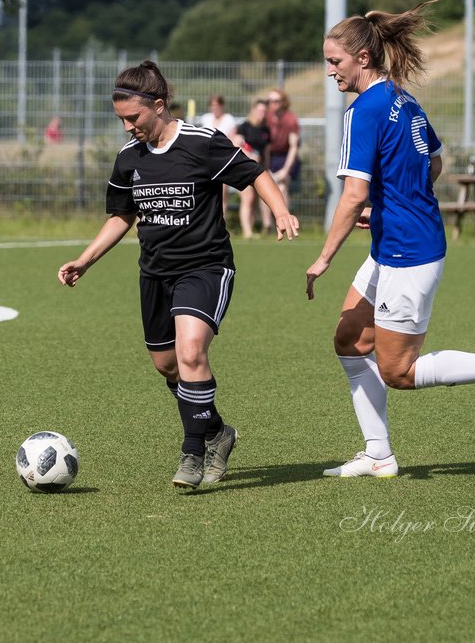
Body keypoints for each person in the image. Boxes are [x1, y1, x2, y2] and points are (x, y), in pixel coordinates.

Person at [305, 0, 475, 479]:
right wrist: (396, 202)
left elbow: (353, 196)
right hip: (400, 241)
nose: (330, 71)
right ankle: (377, 454)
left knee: (399, 371)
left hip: (406, 253)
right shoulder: (402, 99)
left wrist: (324, 256)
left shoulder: (363, 111)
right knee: (350, 340)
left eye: (334, 62)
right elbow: (433, 162)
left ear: (362, 58)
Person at [58, 61, 300, 489]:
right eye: (121, 120)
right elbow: (121, 217)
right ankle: (217, 432)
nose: (128, 127)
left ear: (159, 104)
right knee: (168, 365)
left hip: (205, 267)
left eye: (133, 118)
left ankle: (192, 451)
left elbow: (256, 173)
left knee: (191, 353)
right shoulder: (128, 159)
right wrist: (85, 259)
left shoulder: (201, 143)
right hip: (155, 274)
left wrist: (280, 210)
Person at [230, 98, 272, 238]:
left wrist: (266, 168)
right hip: (244, 168)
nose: (262, 113)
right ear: (253, 110)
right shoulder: (245, 126)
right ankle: (247, 231)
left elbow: (266, 152)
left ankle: (254, 228)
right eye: (259, 110)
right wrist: (250, 155)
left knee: (254, 200)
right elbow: (236, 144)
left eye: (264, 111)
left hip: (258, 169)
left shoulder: (265, 129)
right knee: (247, 198)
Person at [262, 88, 300, 230]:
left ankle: (285, 224)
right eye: (270, 101)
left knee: (282, 187)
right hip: (269, 158)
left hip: (286, 158)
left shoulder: (290, 119)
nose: (273, 104)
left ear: (283, 102)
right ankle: (267, 225)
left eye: (276, 101)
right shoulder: (266, 118)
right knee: (263, 186)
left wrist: (285, 170)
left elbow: (293, 147)